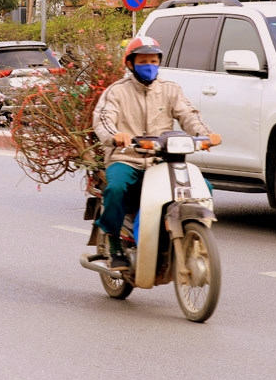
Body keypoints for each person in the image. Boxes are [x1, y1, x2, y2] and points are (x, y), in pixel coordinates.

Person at [92, 35, 221, 270]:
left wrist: (206, 135)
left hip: (163, 161)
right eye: (143, 61)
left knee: (205, 188)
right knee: (116, 188)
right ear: (130, 64)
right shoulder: (117, 91)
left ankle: (191, 236)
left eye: (153, 60)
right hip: (127, 158)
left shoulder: (170, 90)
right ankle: (113, 244)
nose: (149, 65)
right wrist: (115, 136)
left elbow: (189, 115)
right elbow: (104, 119)